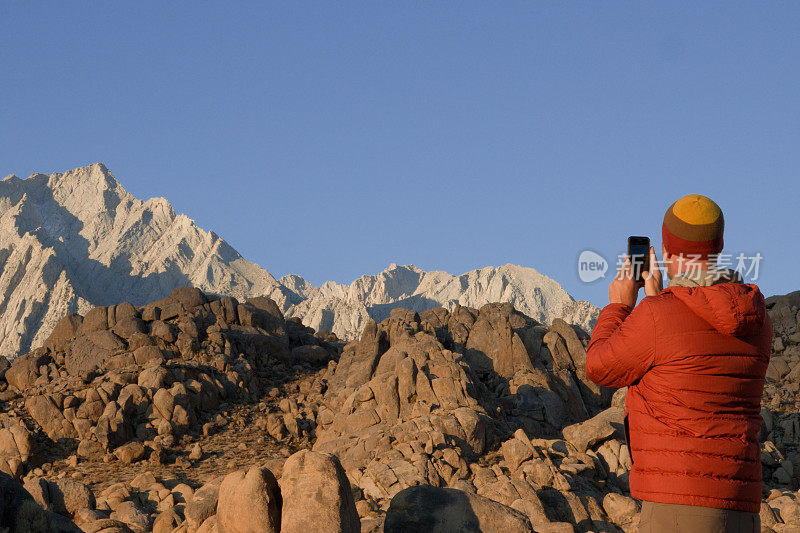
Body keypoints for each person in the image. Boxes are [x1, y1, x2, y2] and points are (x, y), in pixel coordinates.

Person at [585, 194, 772, 532]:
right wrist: (659, 300)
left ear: (667, 251)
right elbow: (690, 360)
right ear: (718, 247)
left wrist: (620, 307)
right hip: (742, 506)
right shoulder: (756, 318)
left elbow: (600, 366)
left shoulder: (658, 317)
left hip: (677, 503)